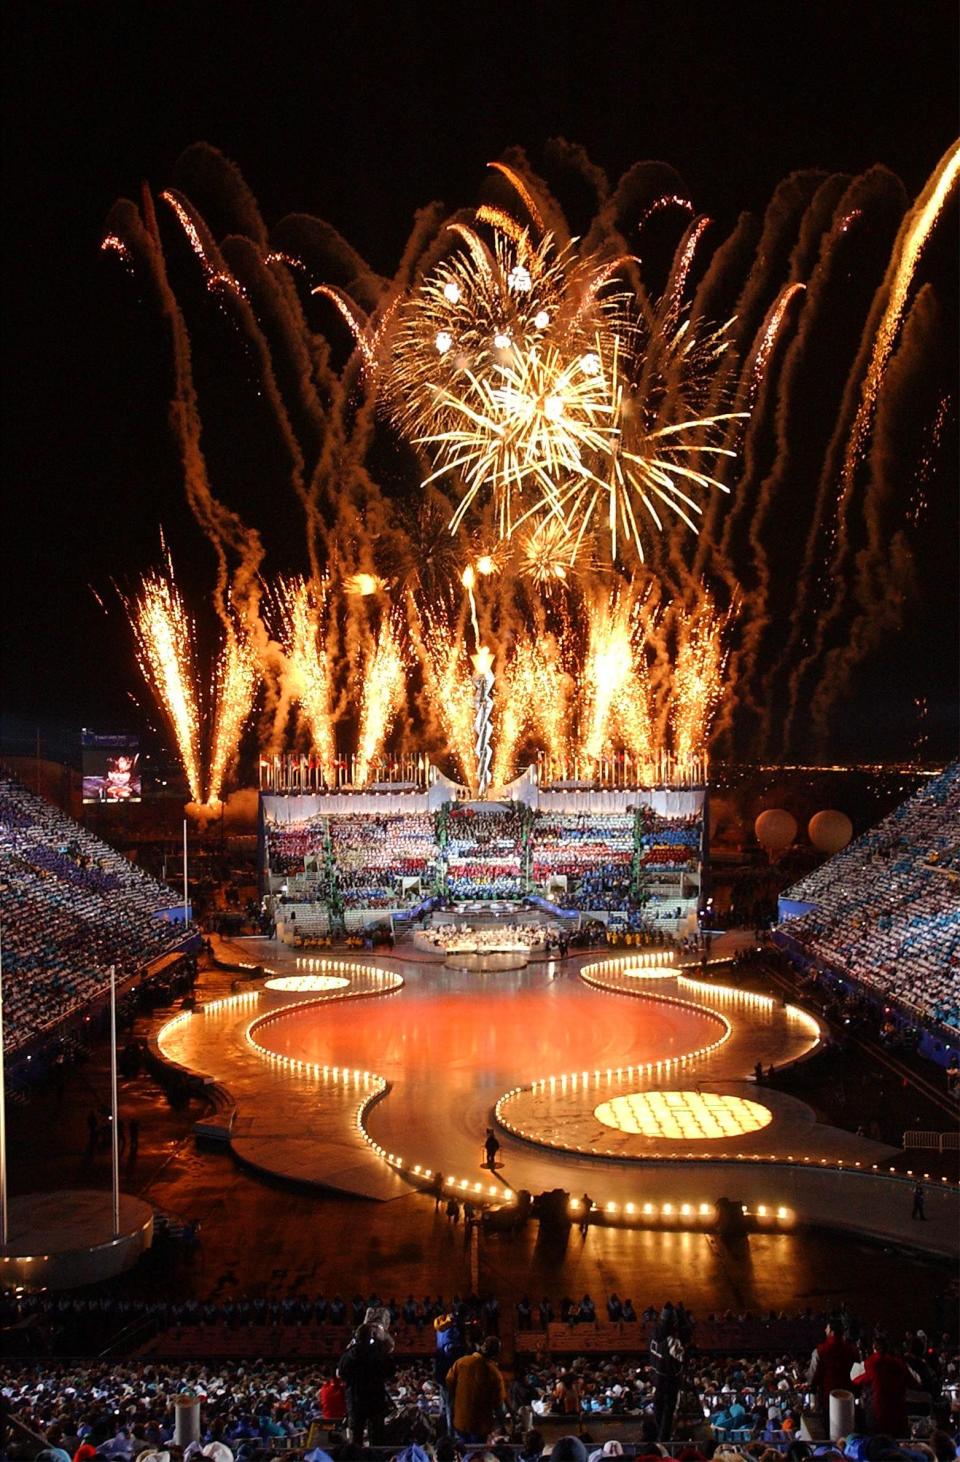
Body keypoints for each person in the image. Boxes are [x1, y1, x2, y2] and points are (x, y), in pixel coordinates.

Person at [337, 1305, 394, 1445]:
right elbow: (390, 1372)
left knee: (355, 1437)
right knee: (377, 1437)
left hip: (355, 1400)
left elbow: (341, 1373)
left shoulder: (350, 1354)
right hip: (375, 1399)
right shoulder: (378, 1354)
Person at [853, 1332, 919, 1436]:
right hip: (898, 1417)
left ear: (874, 1347)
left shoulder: (869, 1363)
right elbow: (915, 1382)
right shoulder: (900, 1363)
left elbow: (855, 1379)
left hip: (877, 1417)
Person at [445, 1335, 507, 1442]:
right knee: (476, 1456)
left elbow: (448, 1386)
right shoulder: (494, 1373)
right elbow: (499, 1406)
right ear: (496, 1354)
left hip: (459, 1421)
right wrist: (503, 1425)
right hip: (480, 1426)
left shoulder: (461, 1362)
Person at [807, 1315, 859, 1421]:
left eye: (827, 1328)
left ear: (832, 1331)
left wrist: (811, 1385)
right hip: (849, 1395)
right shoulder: (852, 1350)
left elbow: (813, 1374)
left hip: (828, 1395)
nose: (825, 1330)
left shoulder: (821, 1350)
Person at [650, 1301, 686, 1441]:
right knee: (668, 1409)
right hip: (669, 1379)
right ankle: (663, 1439)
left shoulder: (654, 1333)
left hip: (657, 1377)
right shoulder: (672, 1340)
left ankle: (660, 1435)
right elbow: (680, 1358)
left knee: (658, 1407)